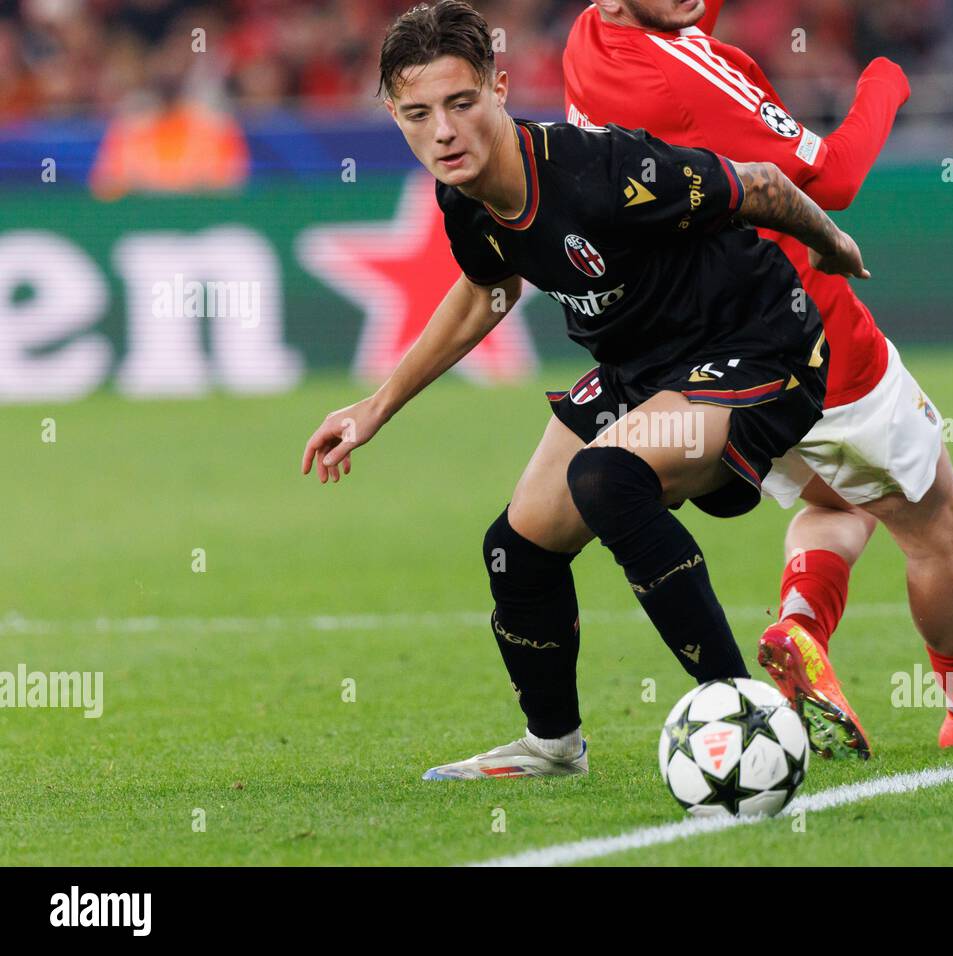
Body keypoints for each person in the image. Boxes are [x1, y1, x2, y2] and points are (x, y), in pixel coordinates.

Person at [300, 0, 874, 780]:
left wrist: (834, 245)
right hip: (644, 369)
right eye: (418, 113)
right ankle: (553, 747)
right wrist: (374, 409)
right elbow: (486, 292)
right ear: (393, 115)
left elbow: (764, 186)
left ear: (500, 87)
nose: (443, 131)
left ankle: (747, 717)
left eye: (461, 103)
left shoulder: (600, 171)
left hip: (757, 347)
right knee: (516, 550)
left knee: (608, 477)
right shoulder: (464, 196)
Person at [564, 0, 953, 754]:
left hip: (713, 349)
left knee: (841, 501)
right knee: (939, 520)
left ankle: (800, 627)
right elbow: (834, 179)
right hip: (807, 333)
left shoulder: (591, 37)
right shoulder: (684, 76)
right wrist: (885, 81)